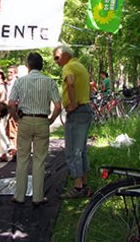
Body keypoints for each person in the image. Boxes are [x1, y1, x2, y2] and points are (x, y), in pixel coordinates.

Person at [8, 52, 62, 206]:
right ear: (42, 65)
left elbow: (11, 103)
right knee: (39, 160)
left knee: (23, 159)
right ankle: (38, 197)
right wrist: (51, 119)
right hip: (42, 121)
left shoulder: (20, 82)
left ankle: (19, 195)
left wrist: (16, 118)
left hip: (24, 120)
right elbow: (58, 106)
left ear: (28, 65)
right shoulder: (49, 82)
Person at [53, 45, 93, 199]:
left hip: (77, 112)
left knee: (72, 151)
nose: (56, 61)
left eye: (57, 57)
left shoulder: (68, 67)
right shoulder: (80, 66)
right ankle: (84, 183)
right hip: (86, 110)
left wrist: (73, 103)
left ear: (65, 55)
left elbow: (70, 82)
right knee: (81, 149)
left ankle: (77, 188)